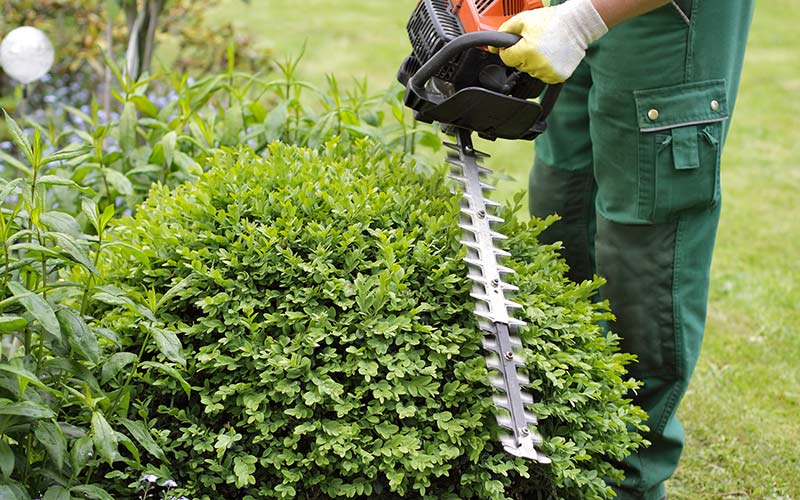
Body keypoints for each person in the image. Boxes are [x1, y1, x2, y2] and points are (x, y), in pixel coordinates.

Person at [494, 0, 755, 499]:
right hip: (570, 11)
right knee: (561, 206)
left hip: (671, 17)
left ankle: (625, 480)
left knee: (642, 251)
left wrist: (585, 19)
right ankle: (565, 448)